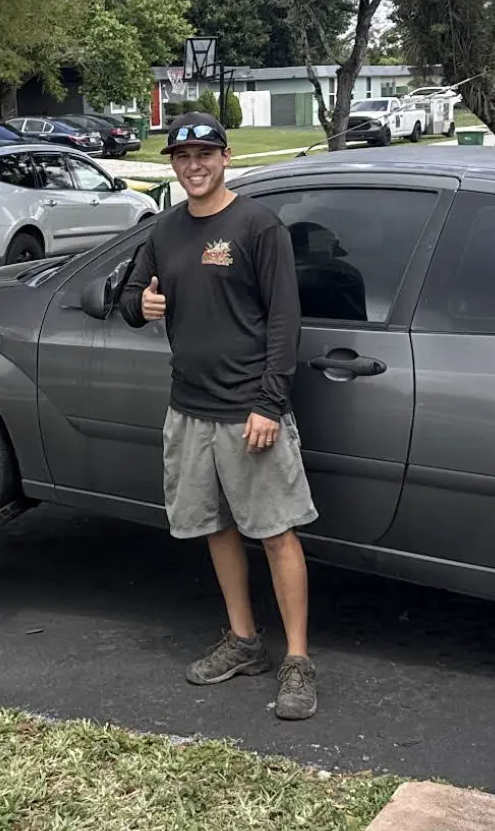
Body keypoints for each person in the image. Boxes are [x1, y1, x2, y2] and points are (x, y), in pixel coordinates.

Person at [119, 110, 319, 721]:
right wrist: (142, 303)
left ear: (226, 157)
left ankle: (298, 661)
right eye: (182, 158)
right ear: (173, 166)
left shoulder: (258, 227)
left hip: (248, 413)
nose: (194, 165)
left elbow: (285, 322)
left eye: (205, 154)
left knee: (276, 532)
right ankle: (244, 641)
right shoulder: (164, 231)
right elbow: (128, 296)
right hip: (189, 409)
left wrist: (268, 402)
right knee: (216, 527)